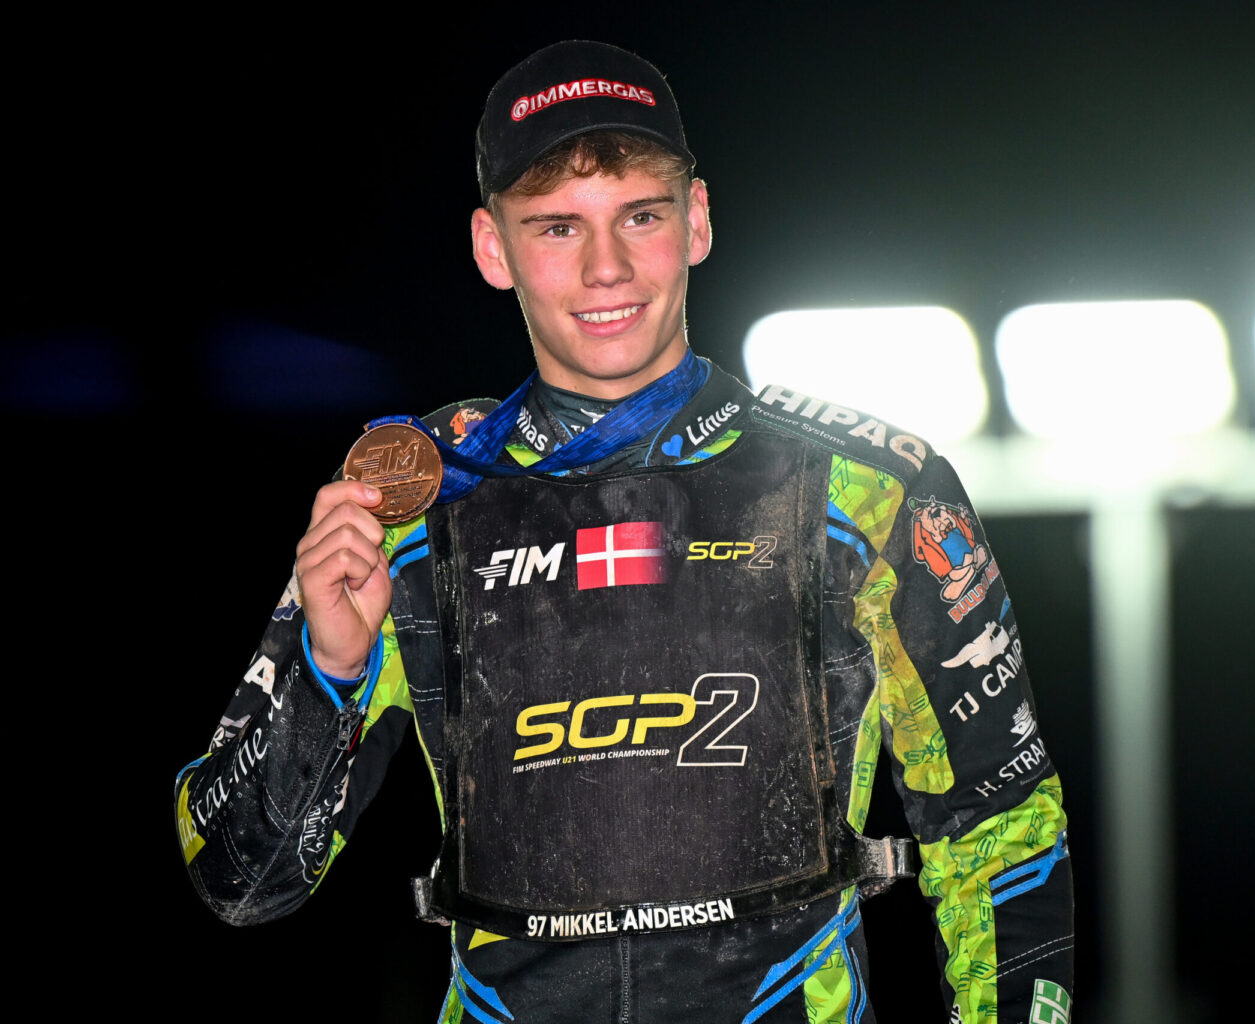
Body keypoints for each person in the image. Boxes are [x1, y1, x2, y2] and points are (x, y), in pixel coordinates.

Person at [174, 40, 1074, 1024]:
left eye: (640, 215)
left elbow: (1003, 830)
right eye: (558, 226)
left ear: (697, 220)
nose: (606, 267)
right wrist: (328, 672)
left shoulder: (864, 487)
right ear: (492, 247)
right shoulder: (414, 504)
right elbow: (238, 881)